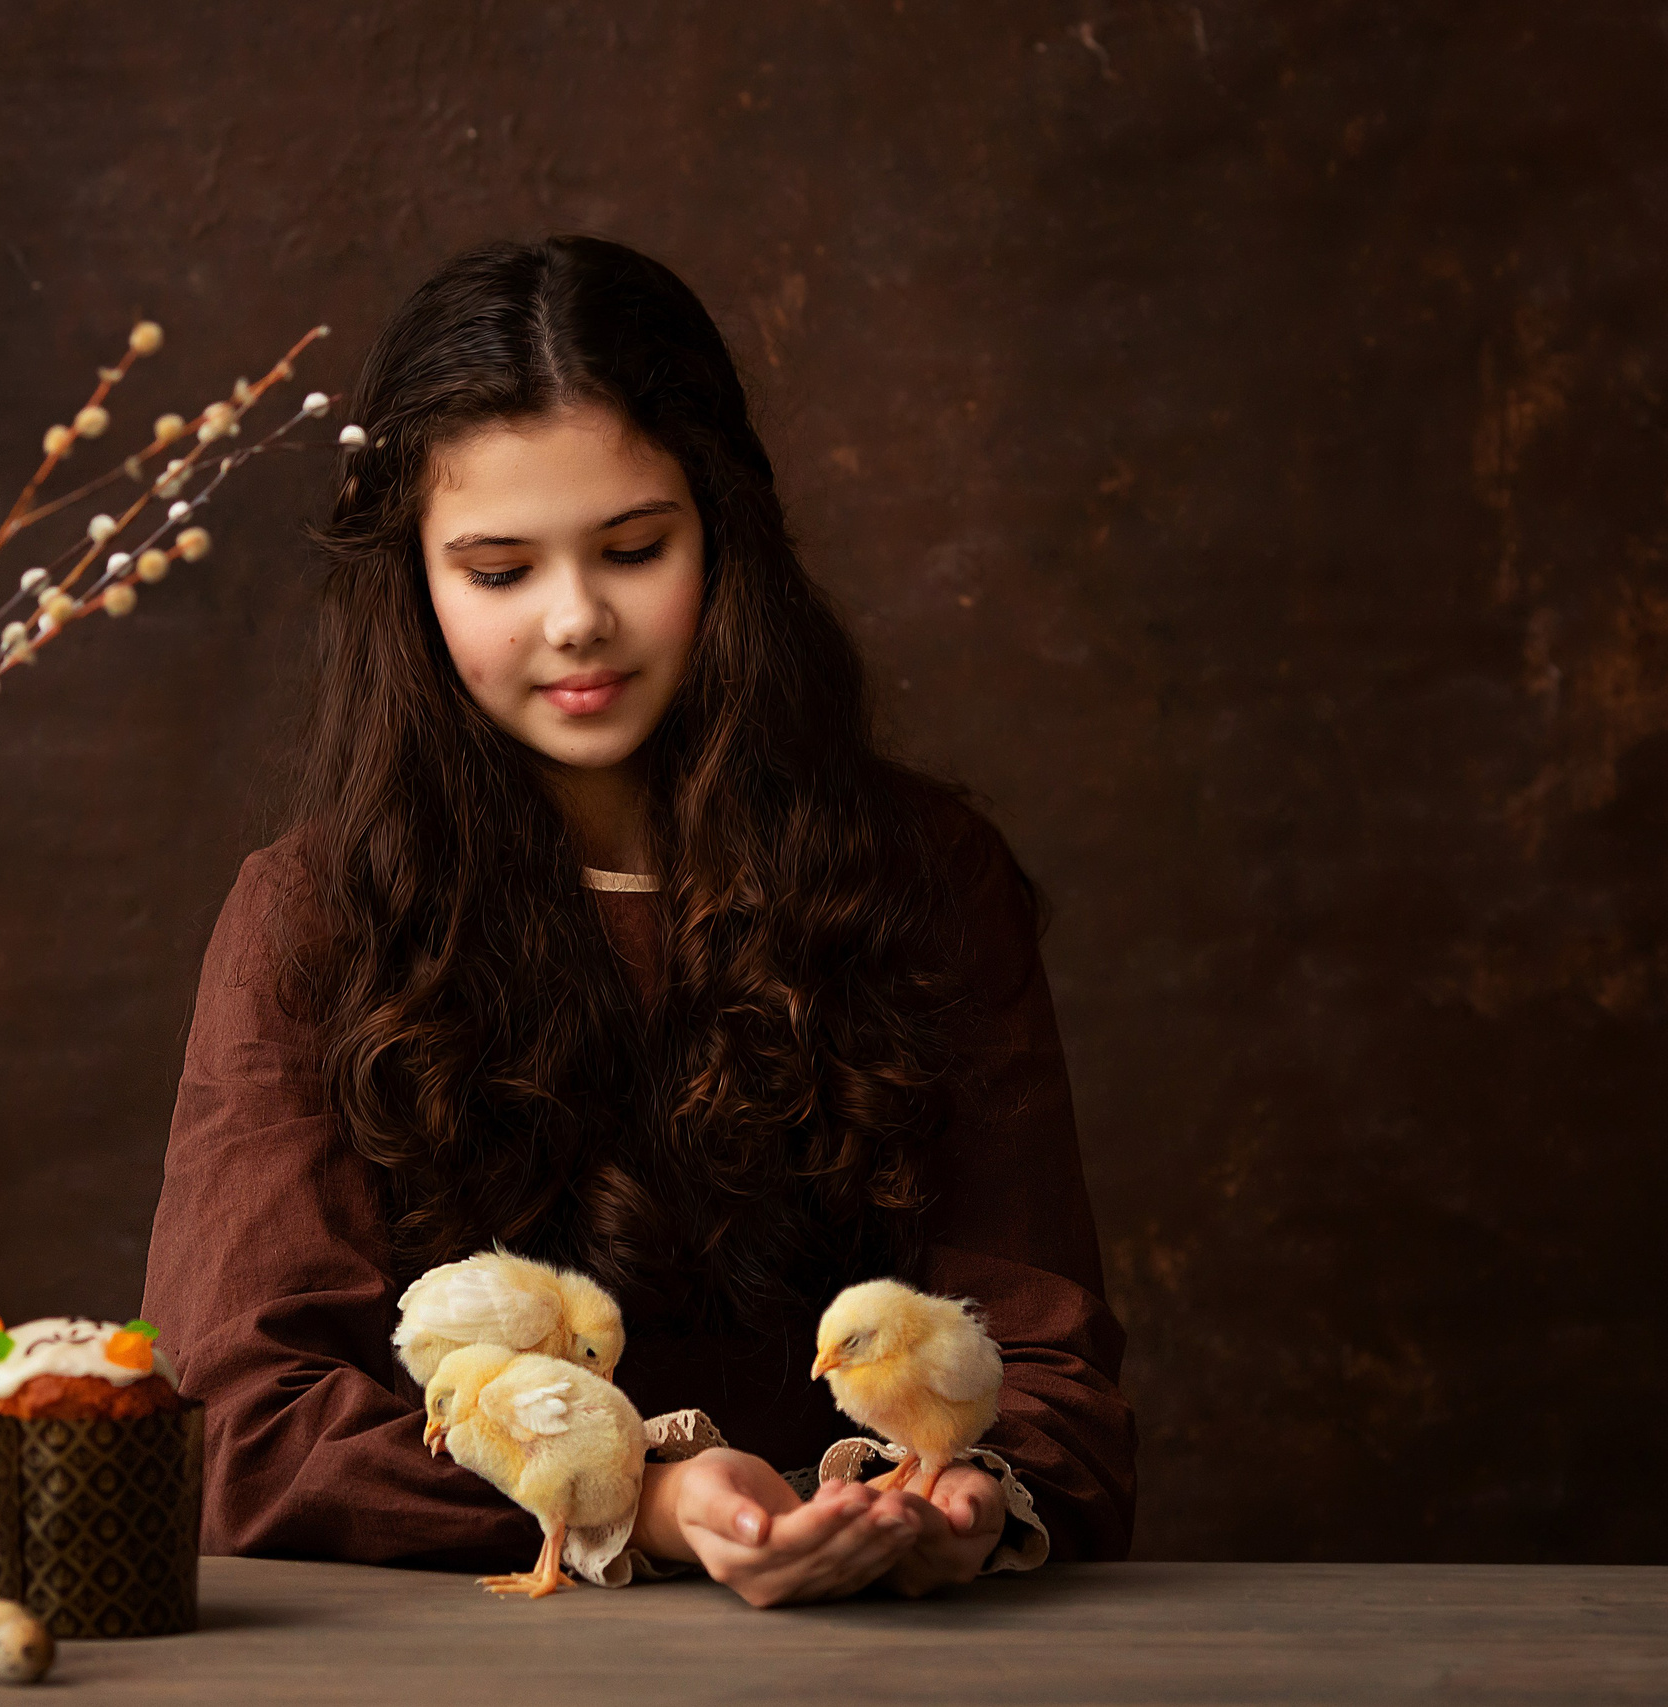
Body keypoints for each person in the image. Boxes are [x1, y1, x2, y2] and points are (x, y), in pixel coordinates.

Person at [141, 235, 1133, 1607]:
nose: (577, 621)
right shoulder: (316, 918)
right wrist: (646, 1505)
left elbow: (1046, 1365)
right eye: (499, 572)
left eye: (634, 549)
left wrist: (963, 1503)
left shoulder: (921, 875)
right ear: (411, 584)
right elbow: (235, 1424)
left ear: (725, 532)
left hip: (876, 1656)